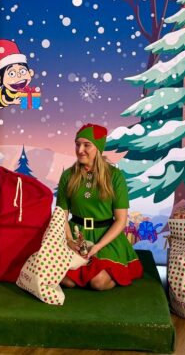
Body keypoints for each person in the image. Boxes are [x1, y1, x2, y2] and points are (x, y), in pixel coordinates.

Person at [56, 124, 143, 290]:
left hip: (105, 236)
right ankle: (81, 273)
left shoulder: (115, 176)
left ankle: (97, 272)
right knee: (67, 280)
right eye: (77, 144)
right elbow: (61, 215)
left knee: (98, 282)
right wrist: (69, 241)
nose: (80, 150)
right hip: (76, 235)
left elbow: (121, 220)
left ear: (98, 147)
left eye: (86, 145)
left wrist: (98, 246)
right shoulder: (68, 176)